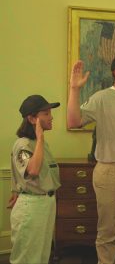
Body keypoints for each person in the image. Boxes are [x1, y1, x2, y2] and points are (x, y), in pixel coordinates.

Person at [67, 52, 115, 264]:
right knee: (109, 232)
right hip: (111, 170)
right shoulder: (102, 97)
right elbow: (73, 121)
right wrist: (74, 90)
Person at [10, 95, 60, 264]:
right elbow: (32, 170)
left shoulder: (39, 144)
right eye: (46, 113)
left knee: (41, 256)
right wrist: (40, 139)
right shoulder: (24, 144)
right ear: (32, 118)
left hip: (45, 204)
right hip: (31, 207)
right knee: (26, 258)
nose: (51, 117)